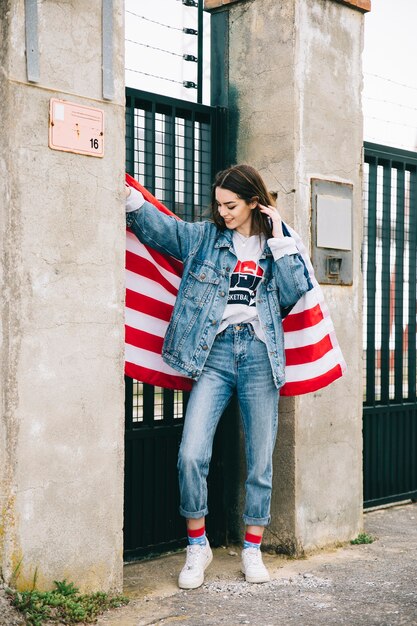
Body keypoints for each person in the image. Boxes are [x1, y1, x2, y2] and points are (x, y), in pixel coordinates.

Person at [125, 164, 311, 589]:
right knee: (192, 453)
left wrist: (280, 235)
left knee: (260, 458)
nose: (223, 212)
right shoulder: (205, 238)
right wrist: (129, 196)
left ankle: (252, 548)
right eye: (219, 204)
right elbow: (163, 230)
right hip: (215, 352)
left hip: (261, 355)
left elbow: (294, 289)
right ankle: (197, 545)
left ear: (252, 203)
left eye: (231, 205)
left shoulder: (279, 244)